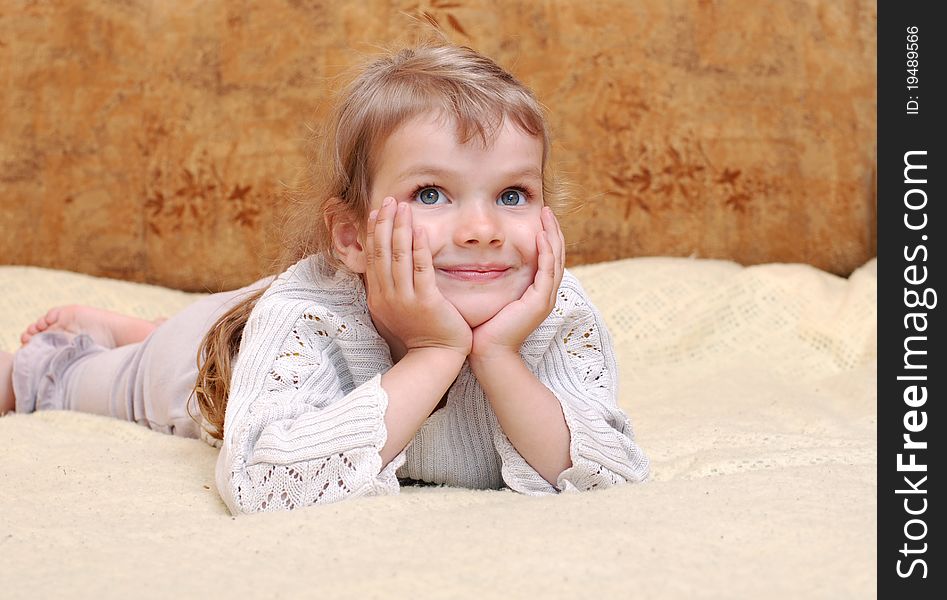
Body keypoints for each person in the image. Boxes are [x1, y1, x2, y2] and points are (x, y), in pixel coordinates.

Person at [0, 40, 650, 515]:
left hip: (277, 323)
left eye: (512, 195)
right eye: (431, 194)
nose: (481, 228)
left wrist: (499, 355)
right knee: (124, 374)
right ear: (352, 236)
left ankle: (134, 327)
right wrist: (434, 350)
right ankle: (86, 353)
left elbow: (611, 472)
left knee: (230, 324)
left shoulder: (553, 311)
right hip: (215, 357)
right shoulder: (309, 313)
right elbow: (260, 485)